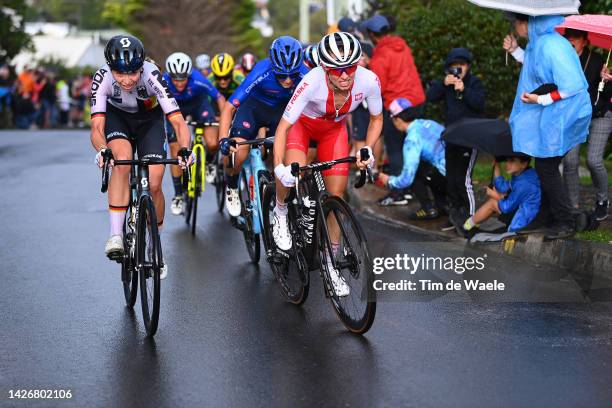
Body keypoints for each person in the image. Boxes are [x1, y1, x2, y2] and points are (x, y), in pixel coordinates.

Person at [272, 32, 382, 296]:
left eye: (350, 68)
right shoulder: (310, 83)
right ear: (324, 68)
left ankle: (331, 264)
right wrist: (279, 167)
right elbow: (283, 128)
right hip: (302, 129)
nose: (345, 76)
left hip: (333, 131)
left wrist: (367, 146)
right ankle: (281, 210)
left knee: (336, 197)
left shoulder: (368, 80)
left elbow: (377, 119)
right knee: (293, 172)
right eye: (337, 70)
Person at [90, 35, 193, 279]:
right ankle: (116, 235)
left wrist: (185, 148)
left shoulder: (152, 74)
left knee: (155, 181)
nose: (126, 80)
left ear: (141, 68)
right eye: (119, 73)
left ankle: (153, 245)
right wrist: (103, 150)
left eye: (133, 73)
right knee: (121, 161)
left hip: (149, 121)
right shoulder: (101, 77)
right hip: (118, 119)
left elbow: (177, 120)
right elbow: (96, 128)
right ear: (110, 68)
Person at [507, 14, 592, 239]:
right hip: (555, 115)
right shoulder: (540, 43)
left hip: (565, 113)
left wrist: (540, 100)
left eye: (516, 24)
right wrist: (516, 50)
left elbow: (572, 86)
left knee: (546, 167)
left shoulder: (552, 44)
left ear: (526, 22)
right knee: (545, 167)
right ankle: (549, 216)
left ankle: (565, 221)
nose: (515, 29)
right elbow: (535, 68)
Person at [218, 36, 309, 217]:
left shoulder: (305, 73)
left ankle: (282, 201)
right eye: (282, 75)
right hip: (252, 110)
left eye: (293, 74)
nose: (288, 80)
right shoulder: (261, 71)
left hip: (281, 114)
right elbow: (229, 107)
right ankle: (232, 185)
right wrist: (223, 139)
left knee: (285, 158)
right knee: (238, 152)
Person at [362, 14, 426, 206]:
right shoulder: (402, 45)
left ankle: (399, 192)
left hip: (397, 107)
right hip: (417, 101)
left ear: (373, 35)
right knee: (415, 146)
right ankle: (417, 190)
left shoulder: (380, 56)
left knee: (396, 149)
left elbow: (377, 86)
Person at [427, 47, 485, 231]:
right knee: (451, 179)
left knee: (464, 179)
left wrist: (464, 90)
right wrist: (443, 84)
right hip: (451, 137)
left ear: (468, 66)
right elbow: (429, 97)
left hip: (469, 139)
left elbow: (479, 104)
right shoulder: (446, 83)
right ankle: (454, 216)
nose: (457, 69)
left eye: (461, 65)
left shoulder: (474, 83)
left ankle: (470, 219)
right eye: (453, 66)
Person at [163, 52, 226, 215]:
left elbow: (219, 98)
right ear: (169, 76)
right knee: (176, 150)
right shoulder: (163, 81)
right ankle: (178, 195)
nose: (179, 83)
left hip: (199, 106)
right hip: (175, 110)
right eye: (175, 79)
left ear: (189, 75)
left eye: (183, 79)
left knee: (212, 143)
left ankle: (211, 163)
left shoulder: (198, 79)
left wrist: (224, 116)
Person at [561, 29, 612, 221]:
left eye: (575, 37)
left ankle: (602, 200)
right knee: (570, 161)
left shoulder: (599, 61)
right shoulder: (562, 60)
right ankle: (572, 206)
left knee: (593, 161)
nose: (570, 41)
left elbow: (607, 94)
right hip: (576, 117)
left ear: (584, 41)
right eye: (568, 37)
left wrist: (606, 80)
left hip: (600, 114)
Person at [375, 97, 447, 220]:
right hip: (456, 171)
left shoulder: (412, 140)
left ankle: (428, 208)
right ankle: (443, 205)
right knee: (427, 166)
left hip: (445, 176)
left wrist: (389, 181)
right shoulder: (428, 123)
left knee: (415, 171)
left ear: (397, 119)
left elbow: (407, 179)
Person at [461, 157, 541, 236]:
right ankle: (474, 223)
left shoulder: (523, 183)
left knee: (492, 203)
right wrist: (496, 165)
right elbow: (503, 187)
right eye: (507, 160)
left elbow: (507, 207)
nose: (507, 164)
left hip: (524, 221)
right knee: (497, 199)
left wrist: (496, 195)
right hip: (526, 212)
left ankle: (466, 227)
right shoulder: (524, 174)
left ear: (524, 164)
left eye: (512, 161)